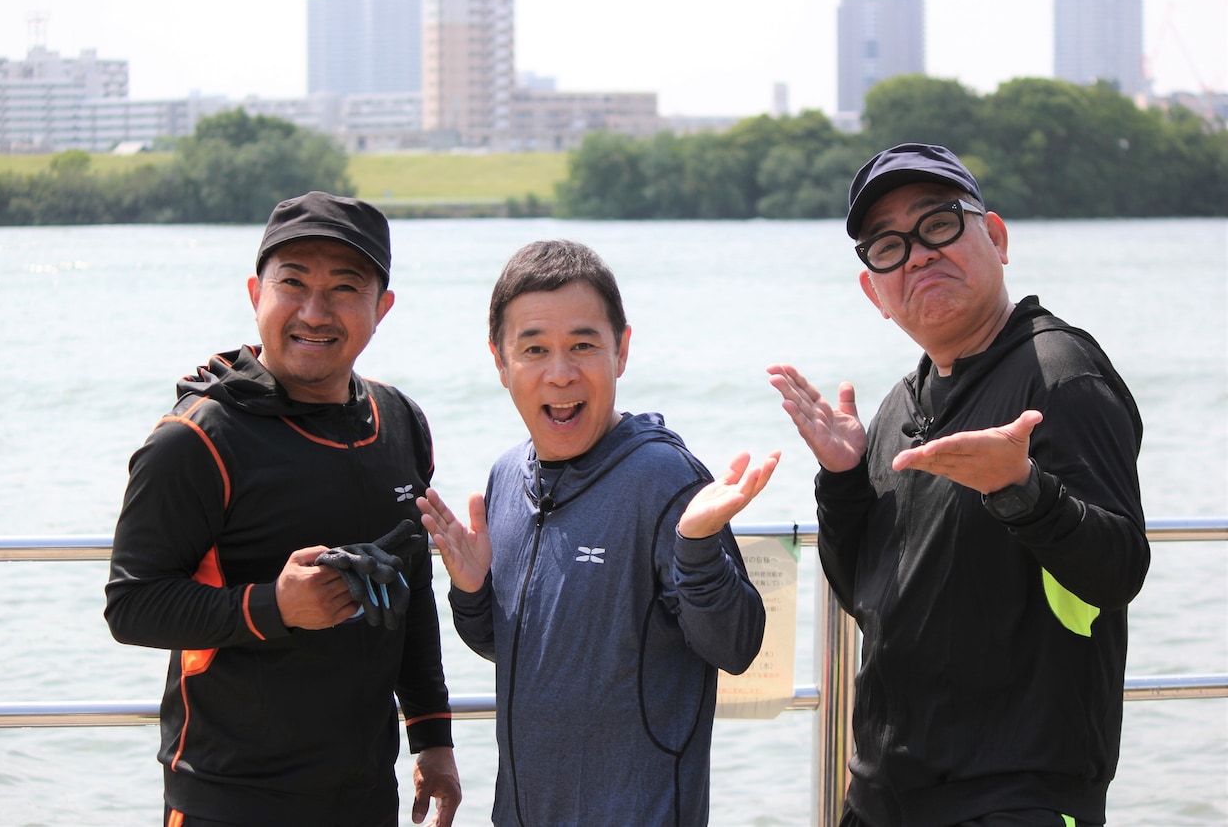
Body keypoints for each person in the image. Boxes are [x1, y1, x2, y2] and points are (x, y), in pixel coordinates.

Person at [767, 143, 1148, 827]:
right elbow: (868, 595)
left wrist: (1023, 489)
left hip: (1013, 797)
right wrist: (844, 478)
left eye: (938, 224)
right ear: (874, 292)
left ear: (996, 238)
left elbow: (1118, 567)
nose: (916, 254)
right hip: (884, 797)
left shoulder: (1058, 373)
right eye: (888, 246)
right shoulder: (900, 407)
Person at [104, 192, 461, 827]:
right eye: (292, 283)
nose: (314, 312)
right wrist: (275, 607)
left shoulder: (400, 421)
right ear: (255, 293)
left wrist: (432, 736)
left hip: (364, 792)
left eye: (345, 289)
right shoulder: (197, 439)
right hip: (229, 794)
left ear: (382, 309)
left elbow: (411, 590)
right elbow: (132, 605)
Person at [417, 239, 777, 826]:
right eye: (534, 349)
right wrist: (473, 592)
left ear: (622, 351)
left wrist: (698, 551)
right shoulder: (508, 477)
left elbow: (735, 648)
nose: (560, 374)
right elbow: (516, 650)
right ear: (500, 361)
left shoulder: (665, 479)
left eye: (583, 345)